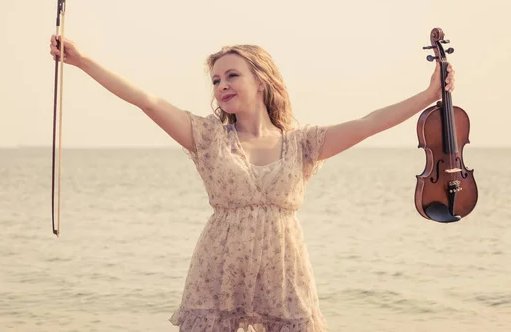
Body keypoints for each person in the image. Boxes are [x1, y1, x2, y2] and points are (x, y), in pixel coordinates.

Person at [48, 35, 455, 332]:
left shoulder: (303, 143)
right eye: (215, 80)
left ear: (260, 80)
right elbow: (147, 101)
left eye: (231, 75)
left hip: (284, 270)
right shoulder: (207, 137)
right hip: (219, 271)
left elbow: (368, 124)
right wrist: (82, 61)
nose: (221, 85)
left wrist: (427, 95)